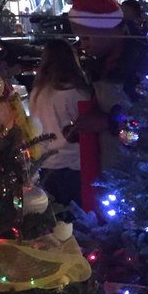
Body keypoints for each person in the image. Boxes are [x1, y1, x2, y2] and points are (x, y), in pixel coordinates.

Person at [67, 0, 127, 171]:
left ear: (106, 31)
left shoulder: (140, 64)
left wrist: (107, 122)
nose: (82, 46)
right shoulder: (102, 65)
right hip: (113, 173)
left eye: (86, 38)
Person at [28, 39, 93, 209]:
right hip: (72, 164)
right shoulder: (75, 92)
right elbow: (87, 125)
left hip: (45, 163)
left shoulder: (37, 92)